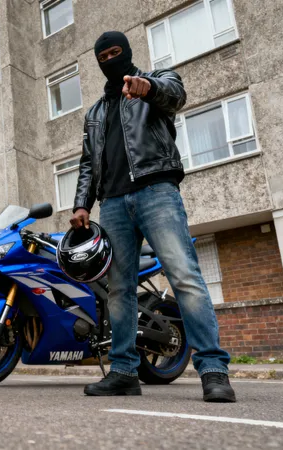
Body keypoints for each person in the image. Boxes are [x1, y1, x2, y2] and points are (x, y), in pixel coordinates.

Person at [70, 32, 236, 402]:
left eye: (116, 52)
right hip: (112, 203)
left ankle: (212, 369)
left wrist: (148, 88)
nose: (110, 59)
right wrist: (82, 203)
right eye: (103, 56)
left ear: (127, 53)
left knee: (184, 276)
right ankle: (125, 372)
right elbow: (87, 163)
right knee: (119, 290)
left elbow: (174, 95)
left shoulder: (158, 80)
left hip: (156, 190)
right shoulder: (96, 112)